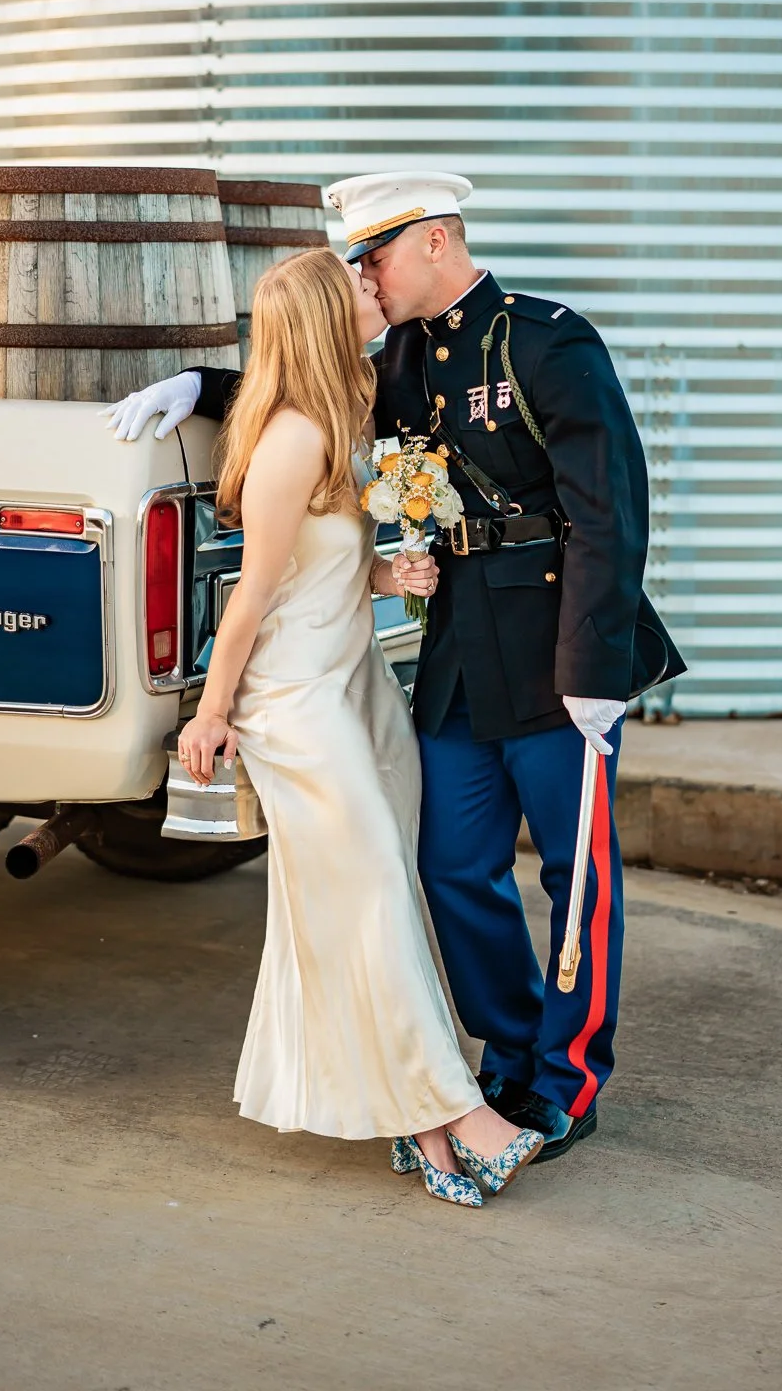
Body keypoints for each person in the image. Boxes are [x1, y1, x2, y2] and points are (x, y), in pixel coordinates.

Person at [107, 172, 685, 1163]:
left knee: (574, 873)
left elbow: (608, 512)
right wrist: (203, 390)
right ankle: (505, 1053)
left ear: (436, 240)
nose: (364, 273)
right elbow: (309, 402)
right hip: (461, 648)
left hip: (558, 648)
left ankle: (565, 1080)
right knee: (451, 866)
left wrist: (595, 669)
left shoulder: (547, 341)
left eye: (375, 253)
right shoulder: (408, 360)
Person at [170, 247, 543, 1207]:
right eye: (360, 290)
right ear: (326, 320)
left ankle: (411, 1115)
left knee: (375, 901)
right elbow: (250, 599)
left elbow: (317, 569)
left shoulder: (342, 413)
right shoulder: (292, 437)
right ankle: (451, 1117)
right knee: (372, 896)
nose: (377, 292)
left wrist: (386, 576)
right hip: (295, 703)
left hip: (358, 685)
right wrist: (212, 715)